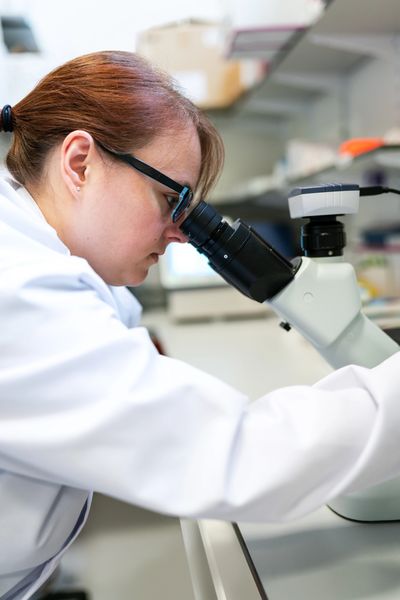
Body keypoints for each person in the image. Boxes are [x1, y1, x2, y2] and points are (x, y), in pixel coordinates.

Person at [0, 50, 399, 600]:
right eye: (172, 199)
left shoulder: (42, 256)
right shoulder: (19, 293)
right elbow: (239, 458)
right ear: (79, 163)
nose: (182, 233)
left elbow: (119, 342)